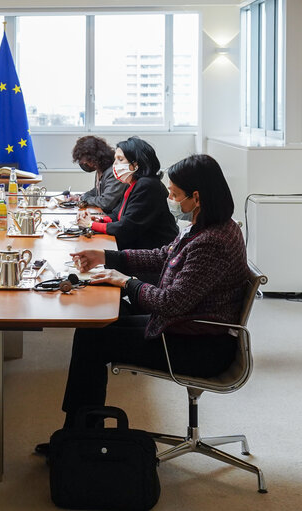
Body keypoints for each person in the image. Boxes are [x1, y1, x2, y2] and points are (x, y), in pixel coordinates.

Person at [35, 154, 247, 456]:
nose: (170, 197)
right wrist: (108, 257)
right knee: (96, 327)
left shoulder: (212, 241)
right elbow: (164, 255)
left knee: (93, 337)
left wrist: (125, 282)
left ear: (196, 197)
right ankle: (81, 432)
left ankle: (80, 436)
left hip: (201, 347)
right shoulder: (206, 225)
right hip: (188, 329)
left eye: (174, 193)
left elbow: (171, 302)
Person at [81, 136, 178, 251]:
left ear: (136, 164)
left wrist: (90, 225)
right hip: (138, 247)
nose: (114, 164)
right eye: (115, 159)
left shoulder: (147, 186)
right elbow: (117, 215)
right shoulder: (133, 184)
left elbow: (126, 228)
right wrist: (98, 219)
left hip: (153, 254)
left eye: (120, 159)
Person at [71, 135, 128, 213]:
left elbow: (105, 202)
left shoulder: (113, 172)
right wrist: (80, 197)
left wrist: (85, 199)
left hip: (112, 217)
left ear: (95, 158)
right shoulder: (100, 169)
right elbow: (97, 191)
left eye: (86, 161)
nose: (85, 164)